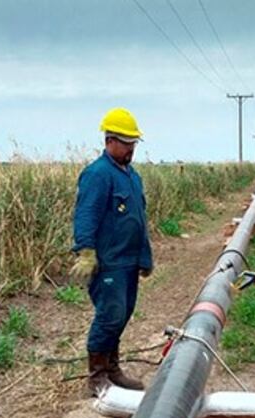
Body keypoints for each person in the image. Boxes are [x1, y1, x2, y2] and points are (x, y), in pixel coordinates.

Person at [70, 107, 153, 396]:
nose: (131, 149)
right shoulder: (97, 174)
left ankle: (113, 369)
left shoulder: (132, 176)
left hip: (129, 261)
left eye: (134, 143)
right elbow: (86, 215)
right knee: (110, 315)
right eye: (126, 143)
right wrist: (86, 251)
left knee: (123, 313)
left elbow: (139, 219)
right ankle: (96, 376)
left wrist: (145, 256)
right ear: (110, 141)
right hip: (109, 263)